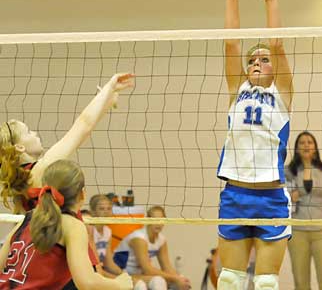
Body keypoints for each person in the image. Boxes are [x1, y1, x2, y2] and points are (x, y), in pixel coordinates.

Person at [216, 0, 293, 290]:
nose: (257, 63)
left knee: (265, 283)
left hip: (271, 197)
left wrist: (270, 1)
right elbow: (231, 44)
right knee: (230, 280)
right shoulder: (238, 91)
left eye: (263, 59)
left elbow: (277, 45)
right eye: (252, 60)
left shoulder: (282, 94)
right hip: (235, 194)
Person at [0, 72, 134, 214]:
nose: (34, 133)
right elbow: (83, 125)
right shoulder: (42, 168)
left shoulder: (21, 184)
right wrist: (110, 86)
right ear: (20, 147)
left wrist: (106, 103)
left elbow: (82, 134)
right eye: (28, 132)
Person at [0, 159, 133, 289]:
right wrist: (119, 284)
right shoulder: (72, 225)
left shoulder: (28, 218)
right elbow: (87, 283)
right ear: (82, 194)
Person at [285, 131, 322, 290]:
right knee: (301, 281)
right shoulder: (288, 171)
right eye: (302, 142)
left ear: (315, 147)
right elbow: (280, 198)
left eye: (310, 142)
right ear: (297, 148)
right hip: (297, 231)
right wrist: (289, 196)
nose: (306, 145)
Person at [113, 206, 191, 290]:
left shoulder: (161, 240)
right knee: (158, 281)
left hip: (140, 274)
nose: (158, 223)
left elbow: (167, 267)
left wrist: (180, 279)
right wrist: (175, 278)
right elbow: (147, 269)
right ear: (148, 220)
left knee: (180, 282)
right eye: (154, 220)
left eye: (161, 220)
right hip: (123, 273)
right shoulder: (139, 238)